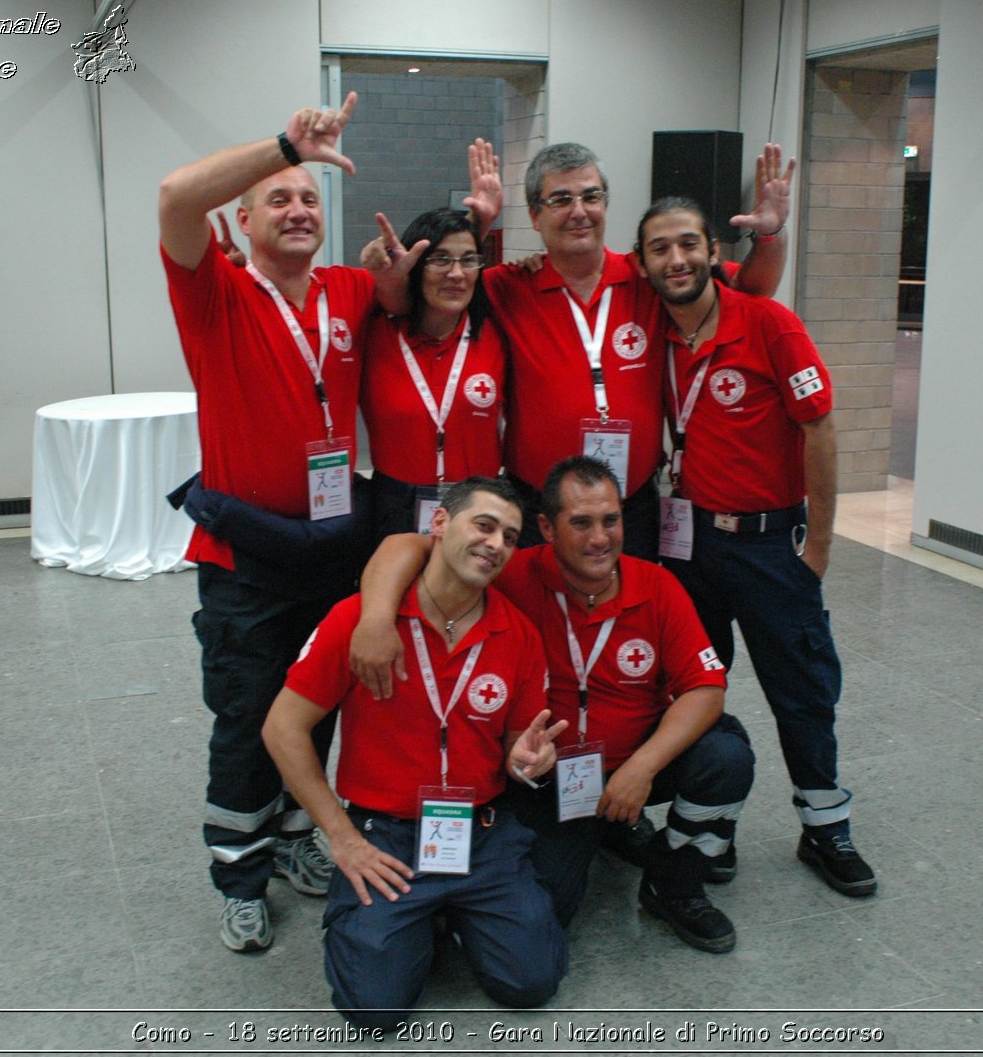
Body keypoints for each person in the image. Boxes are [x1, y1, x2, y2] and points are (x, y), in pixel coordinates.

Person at [157, 91, 412, 953]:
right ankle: (238, 866)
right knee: (244, 717)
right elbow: (173, 199)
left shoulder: (349, 289)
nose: (298, 209)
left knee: (317, 705)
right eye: (279, 197)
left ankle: (298, 838)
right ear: (246, 214)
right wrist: (282, 147)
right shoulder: (214, 295)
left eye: (308, 198)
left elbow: (425, 296)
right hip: (247, 556)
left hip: (332, 548)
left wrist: (473, 225)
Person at [351, 457, 753, 952]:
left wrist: (642, 767)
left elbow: (707, 688)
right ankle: (602, 832)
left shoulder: (657, 586)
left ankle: (673, 883)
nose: (600, 538)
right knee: (547, 918)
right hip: (548, 778)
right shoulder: (512, 574)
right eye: (580, 523)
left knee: (726, 754)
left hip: (635, 762)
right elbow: (405, 546)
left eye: (611, 520)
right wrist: (374, 617)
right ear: (546, 527)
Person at [262, 477, 568, 1029]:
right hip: (389, 835)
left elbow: (515, 749)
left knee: (531, 983)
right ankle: (410, 923)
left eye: (510, 536)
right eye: (484, 525)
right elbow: (282, 729)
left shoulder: (518, 635)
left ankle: (446, 917)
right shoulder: (362, 622)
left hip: (482, 831)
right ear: (440, 525)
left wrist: (526, 761)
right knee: (373, 1010)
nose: (497, 543)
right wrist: (342, 838)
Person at [636, 196, 875, 898]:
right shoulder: (652, 329)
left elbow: (820, 427)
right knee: (696, 688)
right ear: (644, 263)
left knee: (801, 691)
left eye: (688, 244)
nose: (675, 259)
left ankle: (825, 823)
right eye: (659, 249)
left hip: (772, 547)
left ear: (715, 253)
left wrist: (820, 546)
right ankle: (713, 822)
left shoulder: (769, 322)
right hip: (688, 547)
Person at [461, 140, 794, 558]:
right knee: (539, 618)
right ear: (534, 215)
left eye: (591, 196)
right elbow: (433, 286)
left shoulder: (648, 276)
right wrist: (478, 224)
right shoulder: (508, 286)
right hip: (537, 506)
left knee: (629, 616)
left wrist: (770, 235)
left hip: (631, 505)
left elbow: (754, 288)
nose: (579, 211)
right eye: (561, 199)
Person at [360, 207, 506, 540]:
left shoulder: (496, 331)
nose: (457, 274)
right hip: (394, 505)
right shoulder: (373, 331)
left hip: (479, 504)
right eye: (440, 259)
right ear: (415, 266)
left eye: (469, 260)